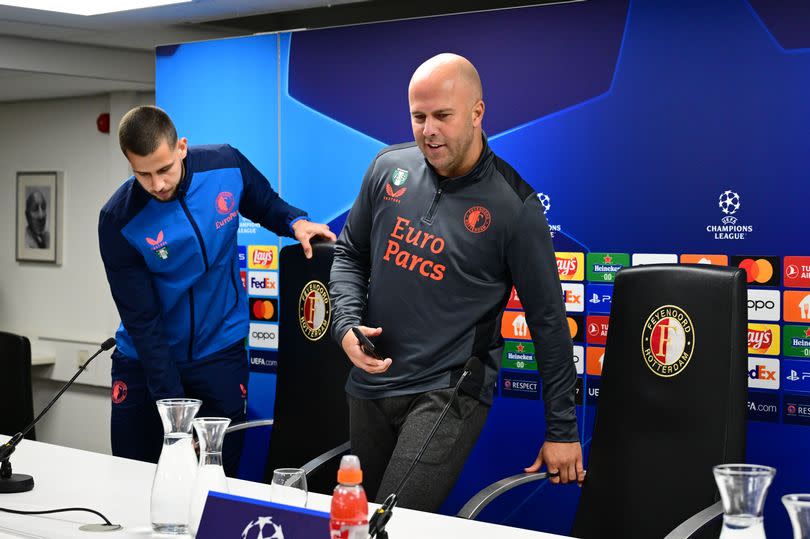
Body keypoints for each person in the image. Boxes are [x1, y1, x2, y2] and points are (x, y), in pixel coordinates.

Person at [329, 53, 583, 511]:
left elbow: (548, 320)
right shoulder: (388, 168)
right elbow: (349, 254)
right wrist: (345, 324)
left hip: (447, 389)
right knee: (354, 520)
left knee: (395, 523)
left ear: (477, 113)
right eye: (418, 116)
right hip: (368, 385)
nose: (429, 130)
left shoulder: (514, 207)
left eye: (442, 116)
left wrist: (562, 429)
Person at [99, 106, 335, 474]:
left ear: (181, 147)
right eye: (142, 175)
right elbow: (144, 324)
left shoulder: (225, 165)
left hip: (218, 352)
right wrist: (176, 417)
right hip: (147, 362)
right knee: (137, 477)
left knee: (216, 478)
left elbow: (264, 202)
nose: (157, 184)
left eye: (164, 169)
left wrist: (295, 222)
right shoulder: (119, 220)